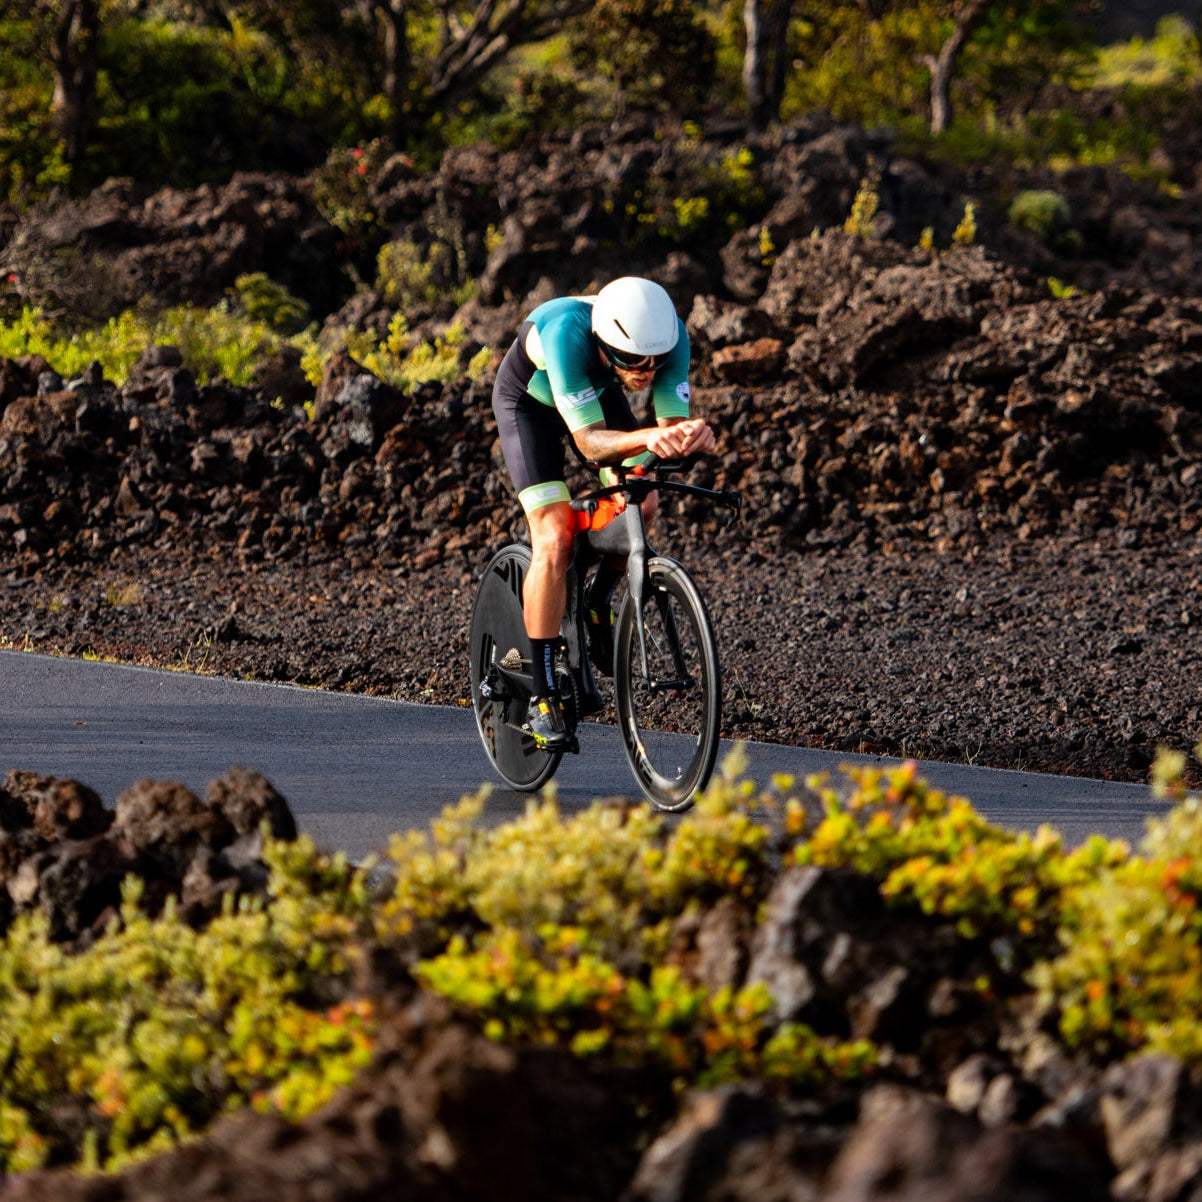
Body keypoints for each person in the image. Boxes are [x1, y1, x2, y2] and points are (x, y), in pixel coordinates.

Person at [491, 275, 716, 750]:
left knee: (644, 496)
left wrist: (691, 437)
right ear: (604, 341)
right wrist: (648, 438)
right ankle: (543, 694)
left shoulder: (667, 338)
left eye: (655, 362)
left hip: (593, 389)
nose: (646, 370)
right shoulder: (565, 333)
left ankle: (596, 600)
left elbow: (668, 430)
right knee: (553, 537)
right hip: (529, 407)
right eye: (634, 362)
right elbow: (590, 444)